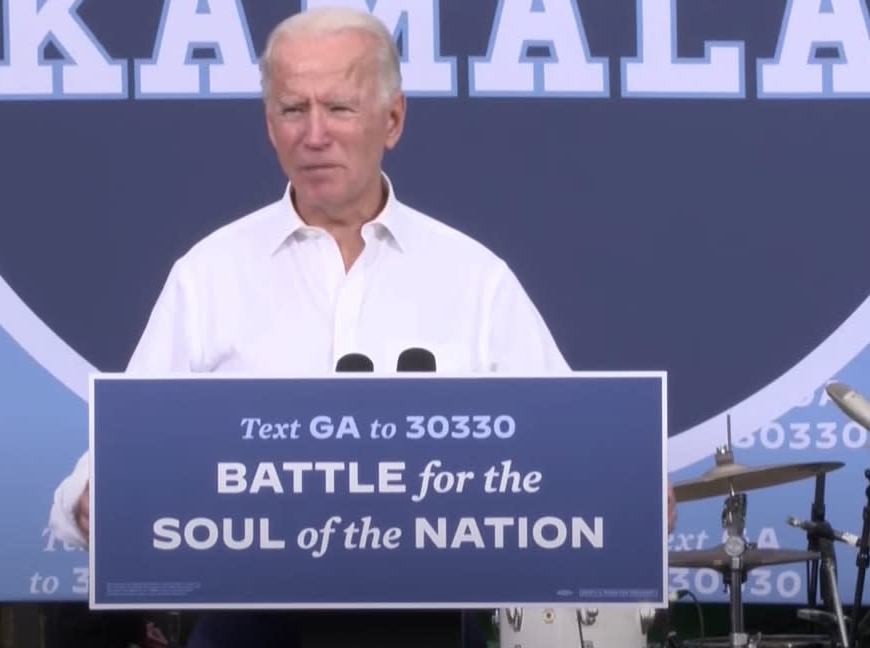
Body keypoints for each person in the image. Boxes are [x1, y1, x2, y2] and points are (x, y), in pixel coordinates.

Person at [48, 6, 677, 646]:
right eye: (293, 110)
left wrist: (626, 492)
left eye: (340, 108)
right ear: (269, 126)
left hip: (429, 629)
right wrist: (90, 500)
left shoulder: (474, 279)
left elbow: (571, 451)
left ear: (393, 119)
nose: (314, 134)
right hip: (249, 626)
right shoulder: (208, 275)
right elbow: (108, 471)